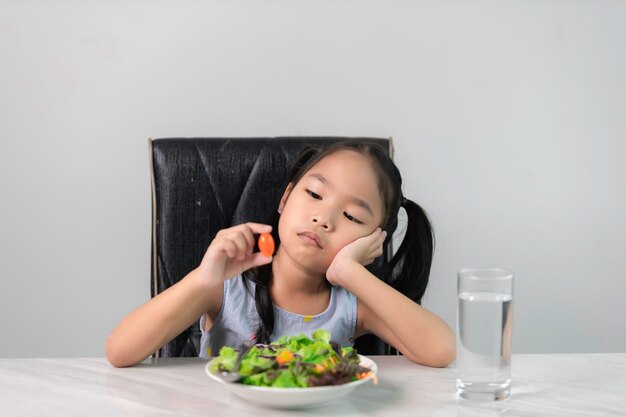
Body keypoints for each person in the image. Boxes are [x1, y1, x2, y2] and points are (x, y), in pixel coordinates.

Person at [106, 142, 455, 368]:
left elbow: (441, 350)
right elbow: (120, 351)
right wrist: (203, 278)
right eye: (315, 194)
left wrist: (351, 271)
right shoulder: (226, 288)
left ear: (374, 240)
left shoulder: (351, 307)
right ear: (286, 198)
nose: (324, 219)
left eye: (351, 216)